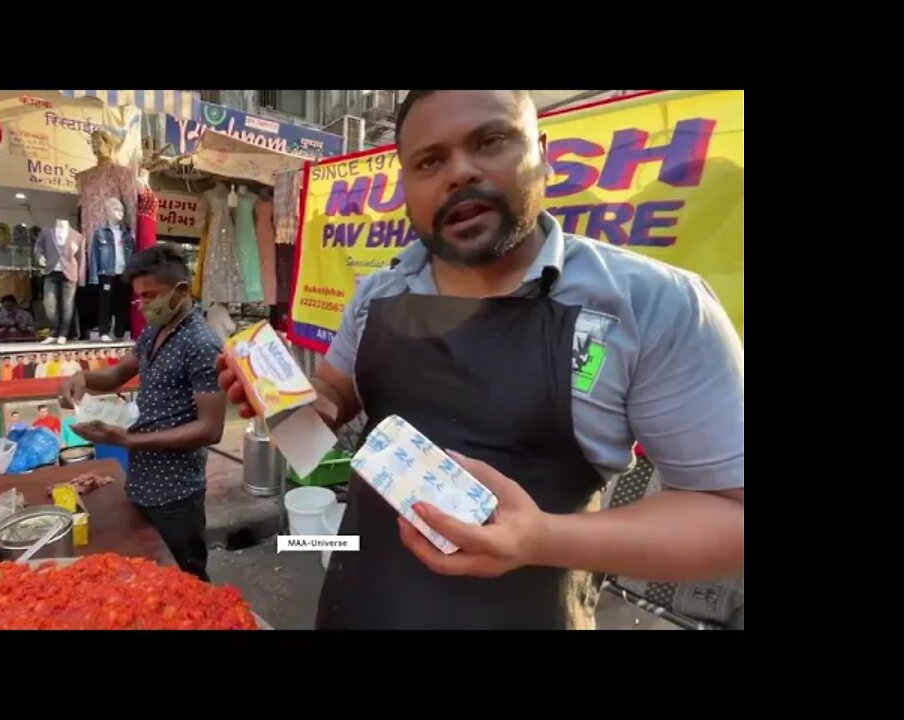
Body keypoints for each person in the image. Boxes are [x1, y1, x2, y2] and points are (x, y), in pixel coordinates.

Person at [217, 90, 744, 630]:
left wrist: (542, 538)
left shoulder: (654, 306)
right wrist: (278, 400)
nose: (460, 173)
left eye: (490, 141)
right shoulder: (376, 295)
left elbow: (731, 514)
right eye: (430, 161)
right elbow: (324, 416)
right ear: (407, 186)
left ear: (541, 152)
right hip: (356, 607)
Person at [61, 246, 226, 582]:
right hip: (140, 480)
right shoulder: (154, 331)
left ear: (181, 291)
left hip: (177, 491)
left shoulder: (201, 343)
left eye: (150, 296)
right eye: (139, 298)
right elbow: (116, 375)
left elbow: (211, 429)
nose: (143, 305)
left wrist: (127, 439)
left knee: (188, 580)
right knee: (148, 575)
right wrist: (83, 377)